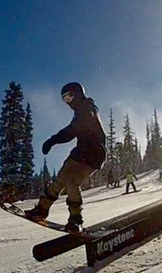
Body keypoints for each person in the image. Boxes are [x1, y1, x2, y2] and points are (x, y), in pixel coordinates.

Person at [25, 82, 106, 232]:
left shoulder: (88, 107)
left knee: (71, 181)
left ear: (77, 93)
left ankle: (76, 219)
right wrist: (53, 140)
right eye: (64, 100)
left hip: (94, 154)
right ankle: (42, 209)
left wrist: (54, 139)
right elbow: (74, 130)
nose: (67, 102)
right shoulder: (79, 111)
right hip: (80, 151)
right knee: (61, 178)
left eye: (69, 97)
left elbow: (75, 128)